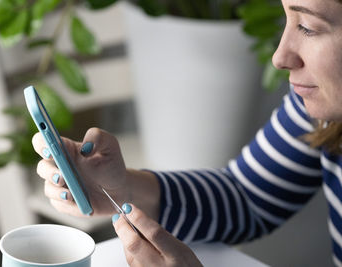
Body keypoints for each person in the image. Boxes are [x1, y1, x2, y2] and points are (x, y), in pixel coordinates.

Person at [31, 0, 342, 265]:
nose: (280, 57)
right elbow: (246, 198)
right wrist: (122, 188)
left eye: (309, 28)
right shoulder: (324, 114)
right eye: (287, 18)